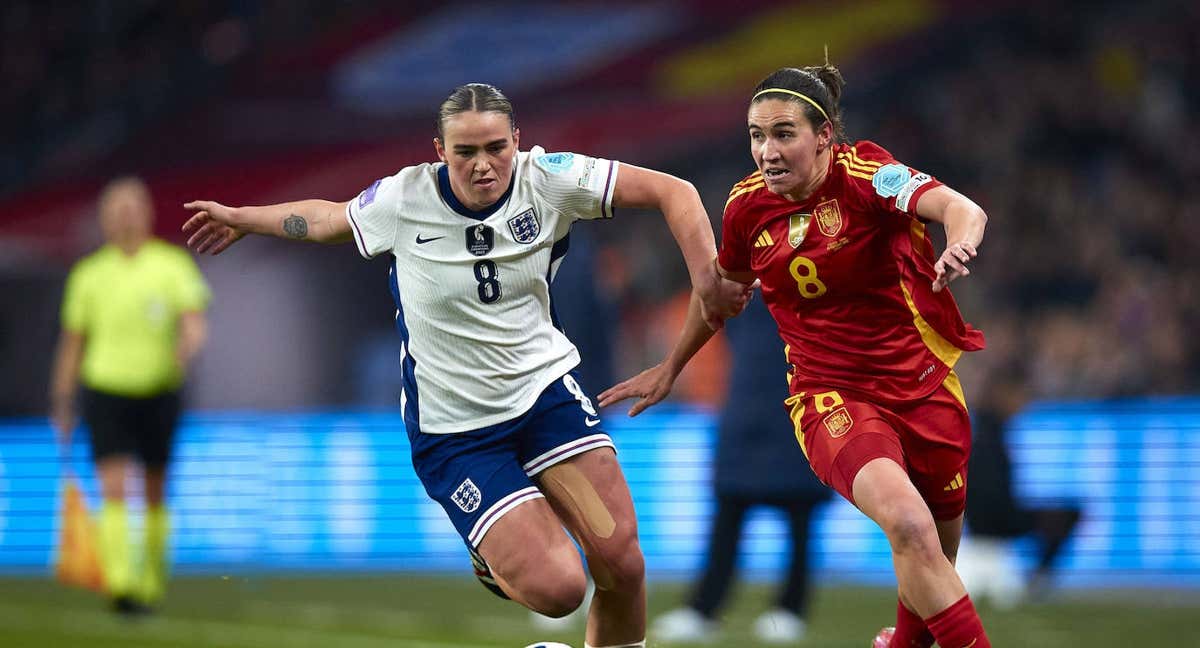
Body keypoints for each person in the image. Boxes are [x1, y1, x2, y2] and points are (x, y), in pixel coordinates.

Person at [181, 83, 749, 648]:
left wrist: (707, 277)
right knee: (561, 591)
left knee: (622, 565)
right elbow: (328, 218)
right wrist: (246, 218)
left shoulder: (548, 179)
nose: (484, 165)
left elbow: (675, 191)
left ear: (517, 141)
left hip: (544, 395)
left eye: (496, 148)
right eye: (466, 152)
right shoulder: (404, 199)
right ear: (439, 150)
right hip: (456, 431)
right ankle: (491, 552)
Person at [599, 64, 993, 648]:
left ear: (824, 136)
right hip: (830, 395)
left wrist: (960, 240)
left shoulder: (870, 178)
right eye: (757, 135)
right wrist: (670, 367)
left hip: (924, 388)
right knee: (909, 526)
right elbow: (718, 298)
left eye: (784, 134)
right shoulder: (746, 208)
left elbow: (964, 209)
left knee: (935, 551)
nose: (767, 150)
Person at [49, 176, 211, 614]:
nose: (124, 216)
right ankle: (121, 584)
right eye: (116, 209)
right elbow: (73, 342)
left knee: (155, 490)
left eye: (131, 207)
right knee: (114, 487)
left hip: (160, 389)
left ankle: (151, 579)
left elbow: (194, 320)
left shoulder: (171, 265)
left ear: (146, 213)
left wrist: (186, 347)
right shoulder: (89, 275)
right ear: (104, 219)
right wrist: (62, 401)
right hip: (105, 390)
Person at [652, 296, 831, 644]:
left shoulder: (814, 268)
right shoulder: (742, 271)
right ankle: (704, 608)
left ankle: (791, 608)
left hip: (801, 399)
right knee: (729, 510)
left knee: (800, 514)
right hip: (746, 398)